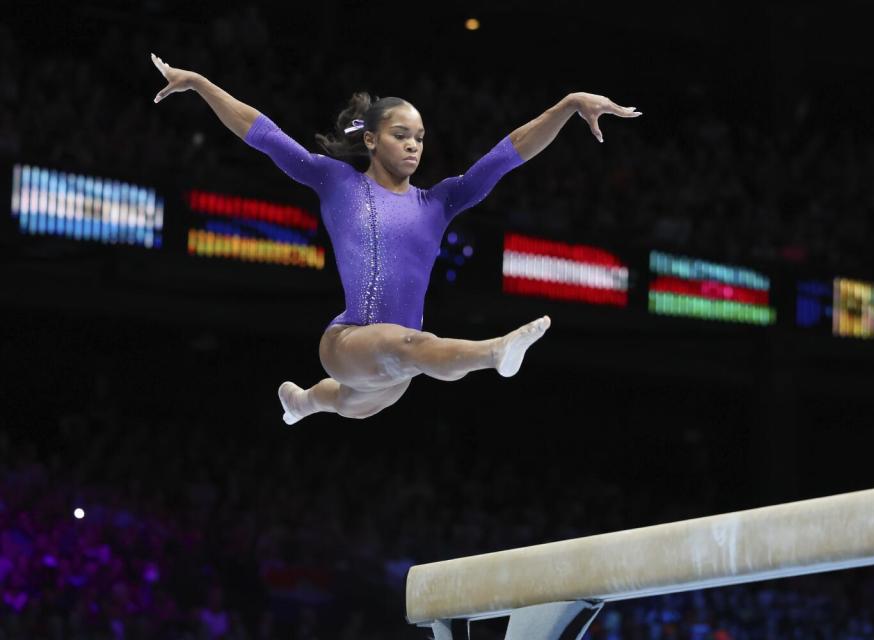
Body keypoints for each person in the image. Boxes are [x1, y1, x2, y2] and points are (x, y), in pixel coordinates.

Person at [150, 52, 640, 422]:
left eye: (420, 138)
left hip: (395, 372)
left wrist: (569, 104)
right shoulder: (335, 181)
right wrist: (198, 83)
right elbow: (262, 132)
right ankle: (494, 352)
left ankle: (301, 403)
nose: (412, 145)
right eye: (400, 134)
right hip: (349, 341)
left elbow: (509, 153)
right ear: (370, 140)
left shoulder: (439, 202)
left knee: (347, 402)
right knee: (401, 346)